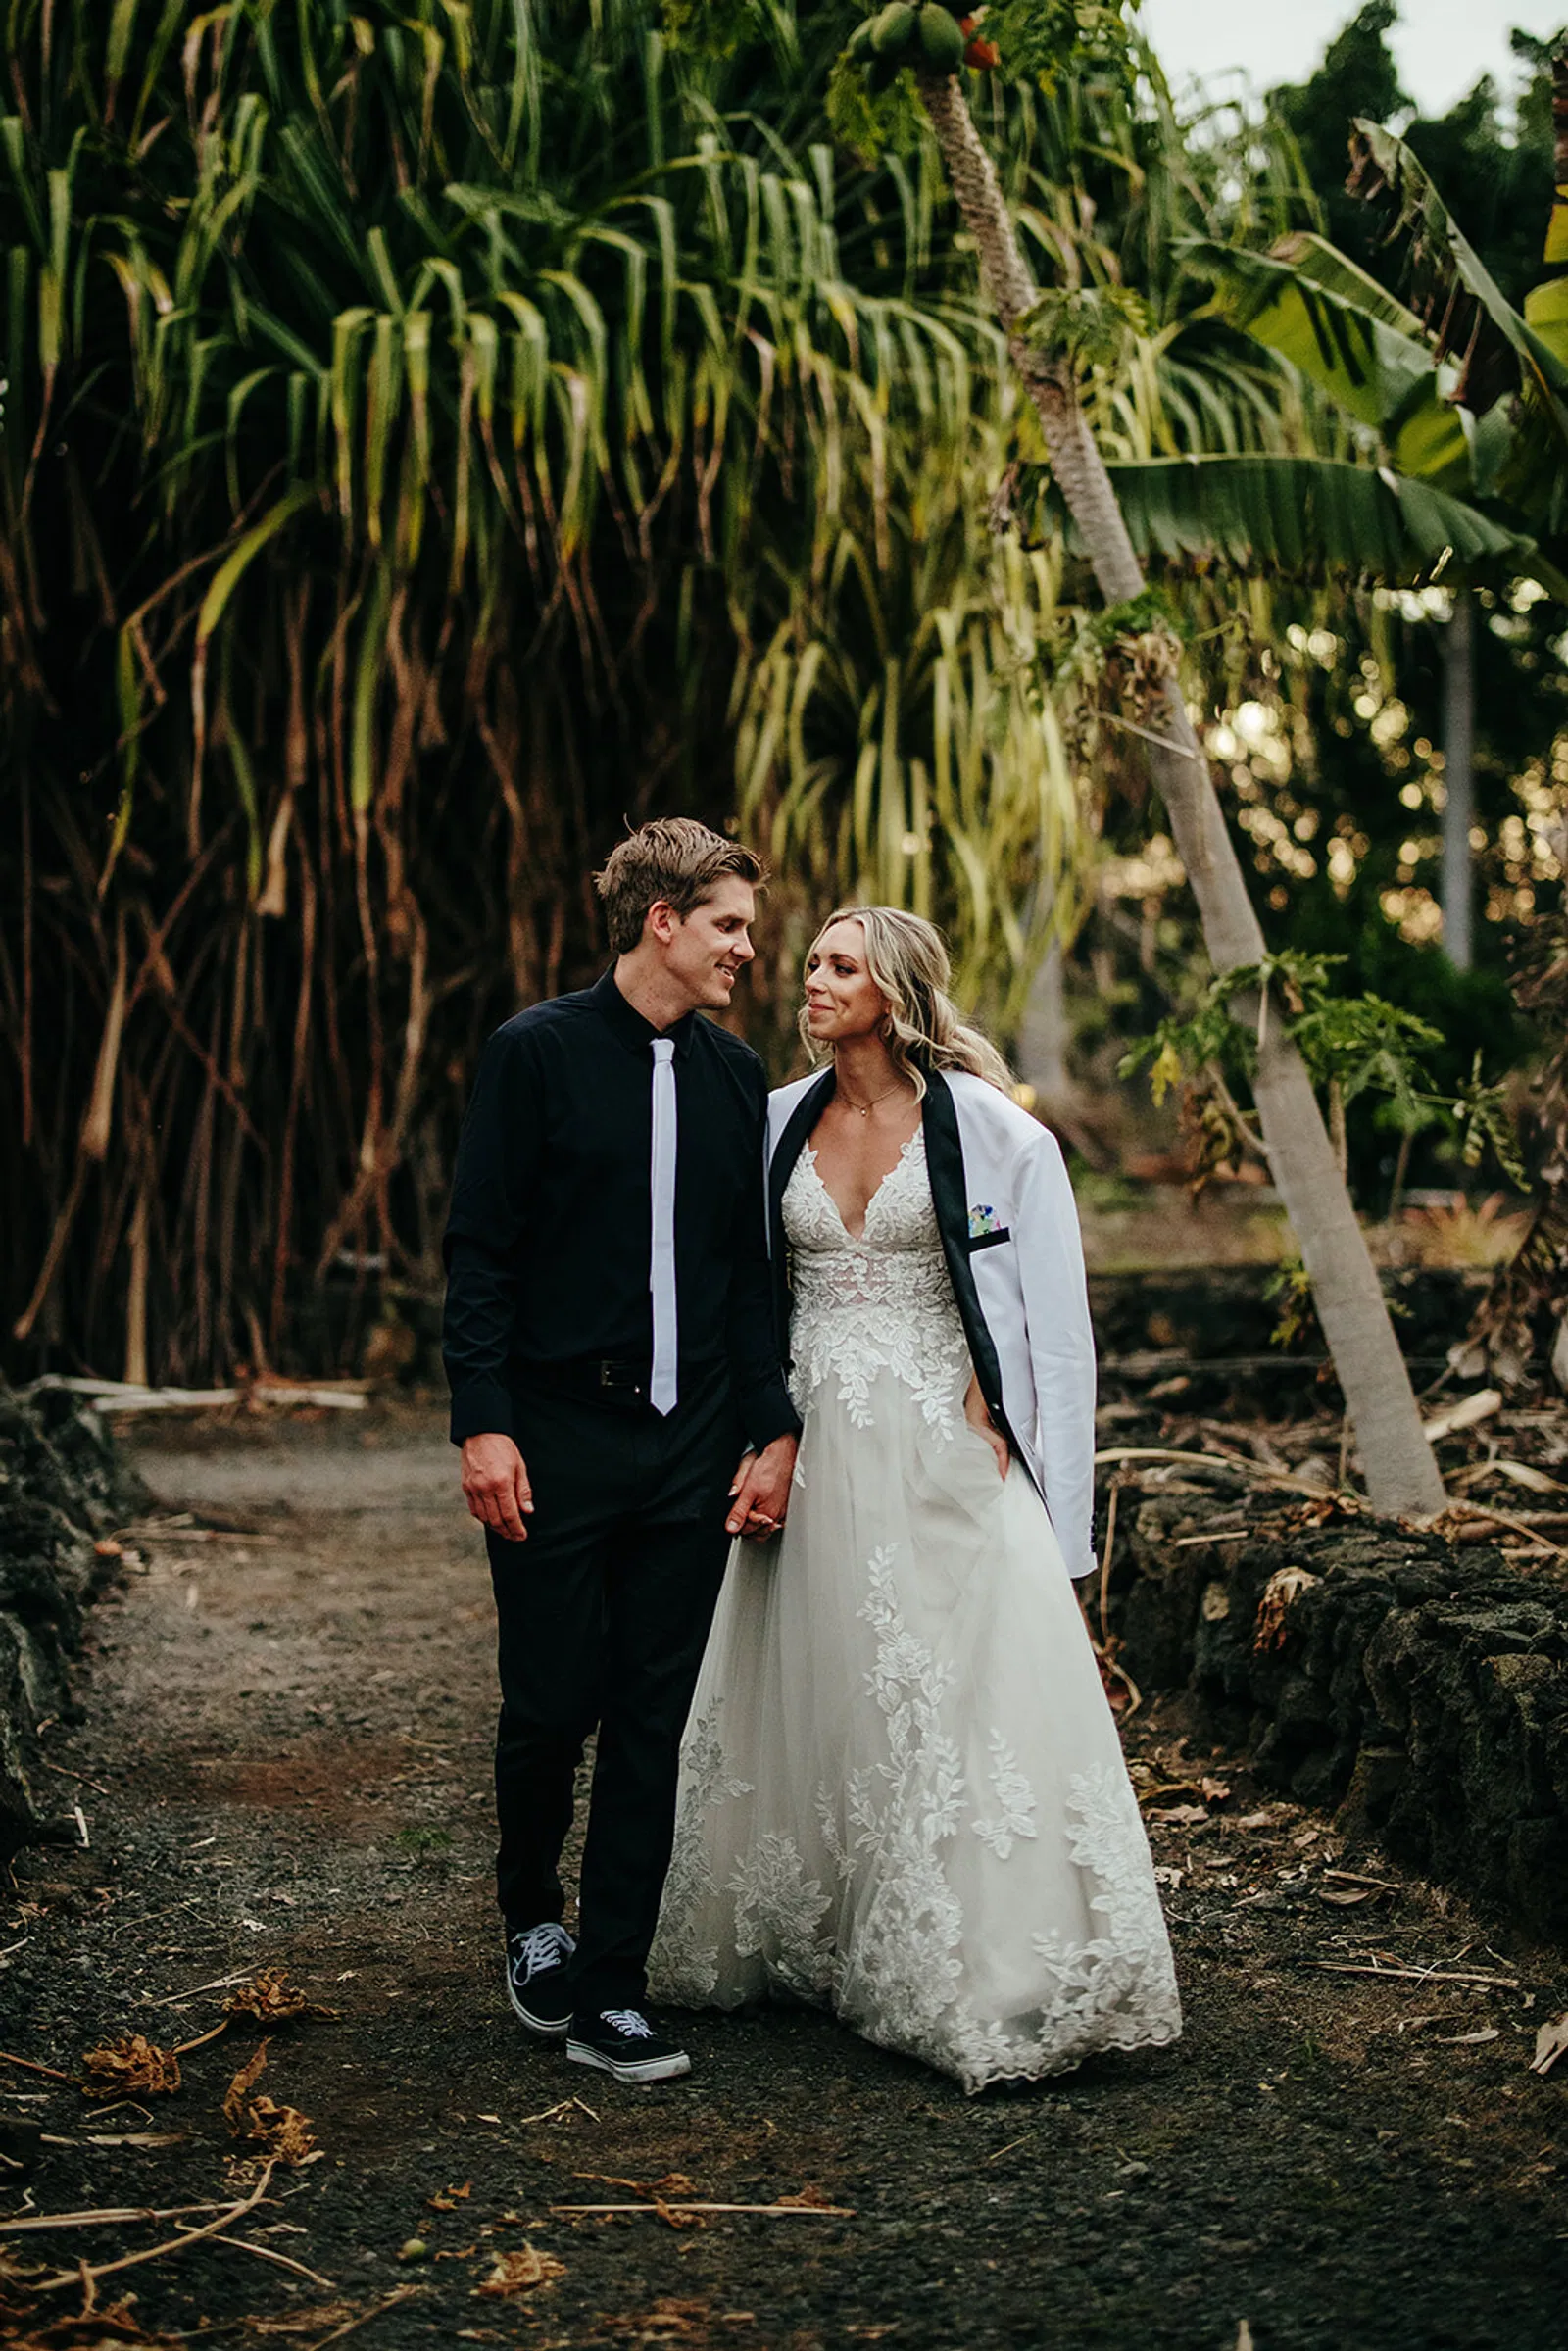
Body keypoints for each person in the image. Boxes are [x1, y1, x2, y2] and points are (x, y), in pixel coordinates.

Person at [650, 906, 1181, 2092]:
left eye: (840, 965)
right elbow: (745, 1290)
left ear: (893, 989)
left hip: (944, 1451)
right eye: (814, 963)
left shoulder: (995, 1135)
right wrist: (753, 1433)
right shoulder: (777, 1116)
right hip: (812, 1446)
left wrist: (1051, 1492)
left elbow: (1056, 1329)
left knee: (955, 1695)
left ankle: (977, 1960)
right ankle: (824, 1929)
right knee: (823, 1679)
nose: (811, 979)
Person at [442, 819, 799, 2085]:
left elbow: (746, 1272)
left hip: (689, 1438)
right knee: (550, 1703)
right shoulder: (533, 1055)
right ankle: (532, 1911)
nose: (750, 949)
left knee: (653, 1714)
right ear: (663, 920)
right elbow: (480, 1249)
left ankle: (613, 1985)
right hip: (554, 1432)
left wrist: (773, 1426)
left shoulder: (734, 1075)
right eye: (730, 925)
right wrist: (483, 1419)